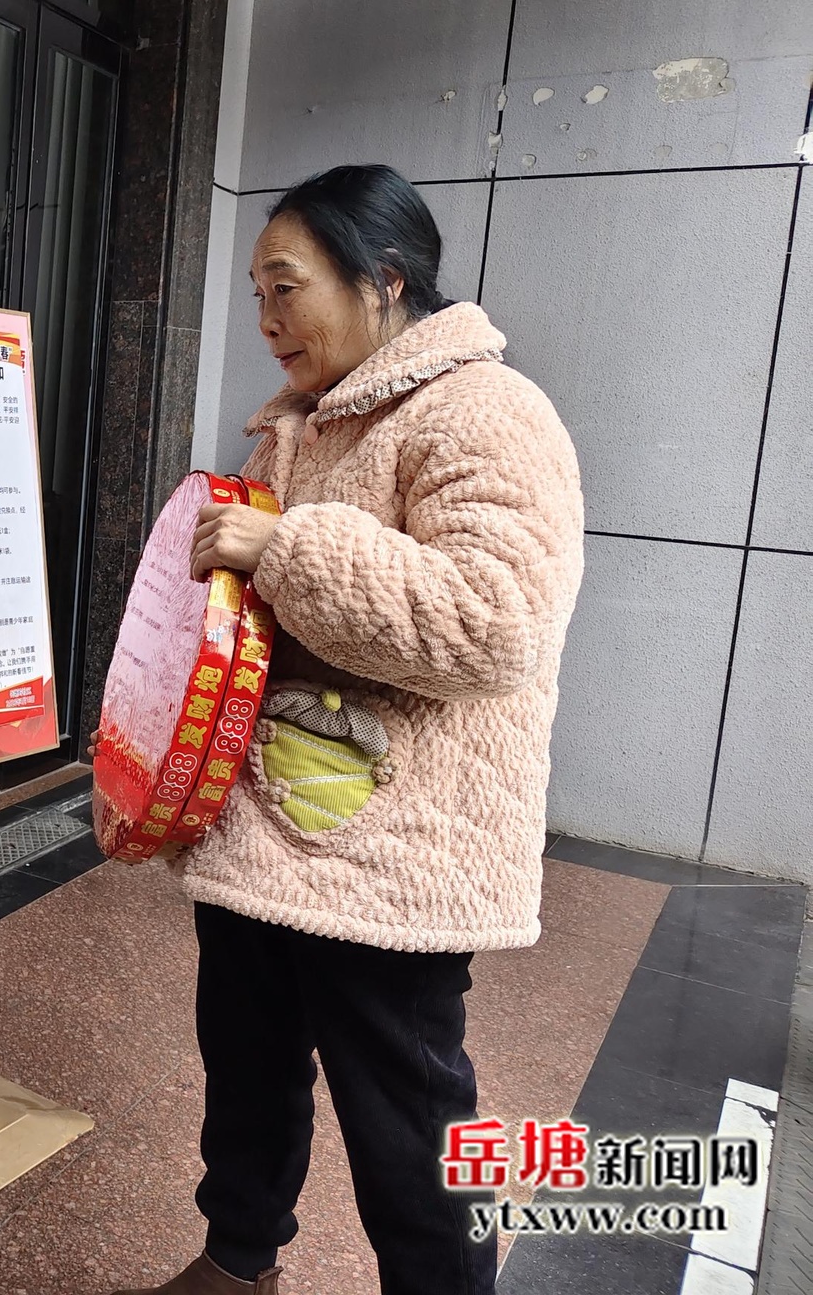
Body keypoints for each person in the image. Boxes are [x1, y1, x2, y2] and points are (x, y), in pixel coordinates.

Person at [114, 165, 584, 1295]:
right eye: (257, 294)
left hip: (394, 855)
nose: (268, 319)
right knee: (247, 1073)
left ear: (385, 279)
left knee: (409, 1123)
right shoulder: (295, 427)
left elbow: (496, 625)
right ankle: (236, 1266)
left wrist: (283, 549)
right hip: (263, 828)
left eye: (287, 288)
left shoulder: (487, 412)